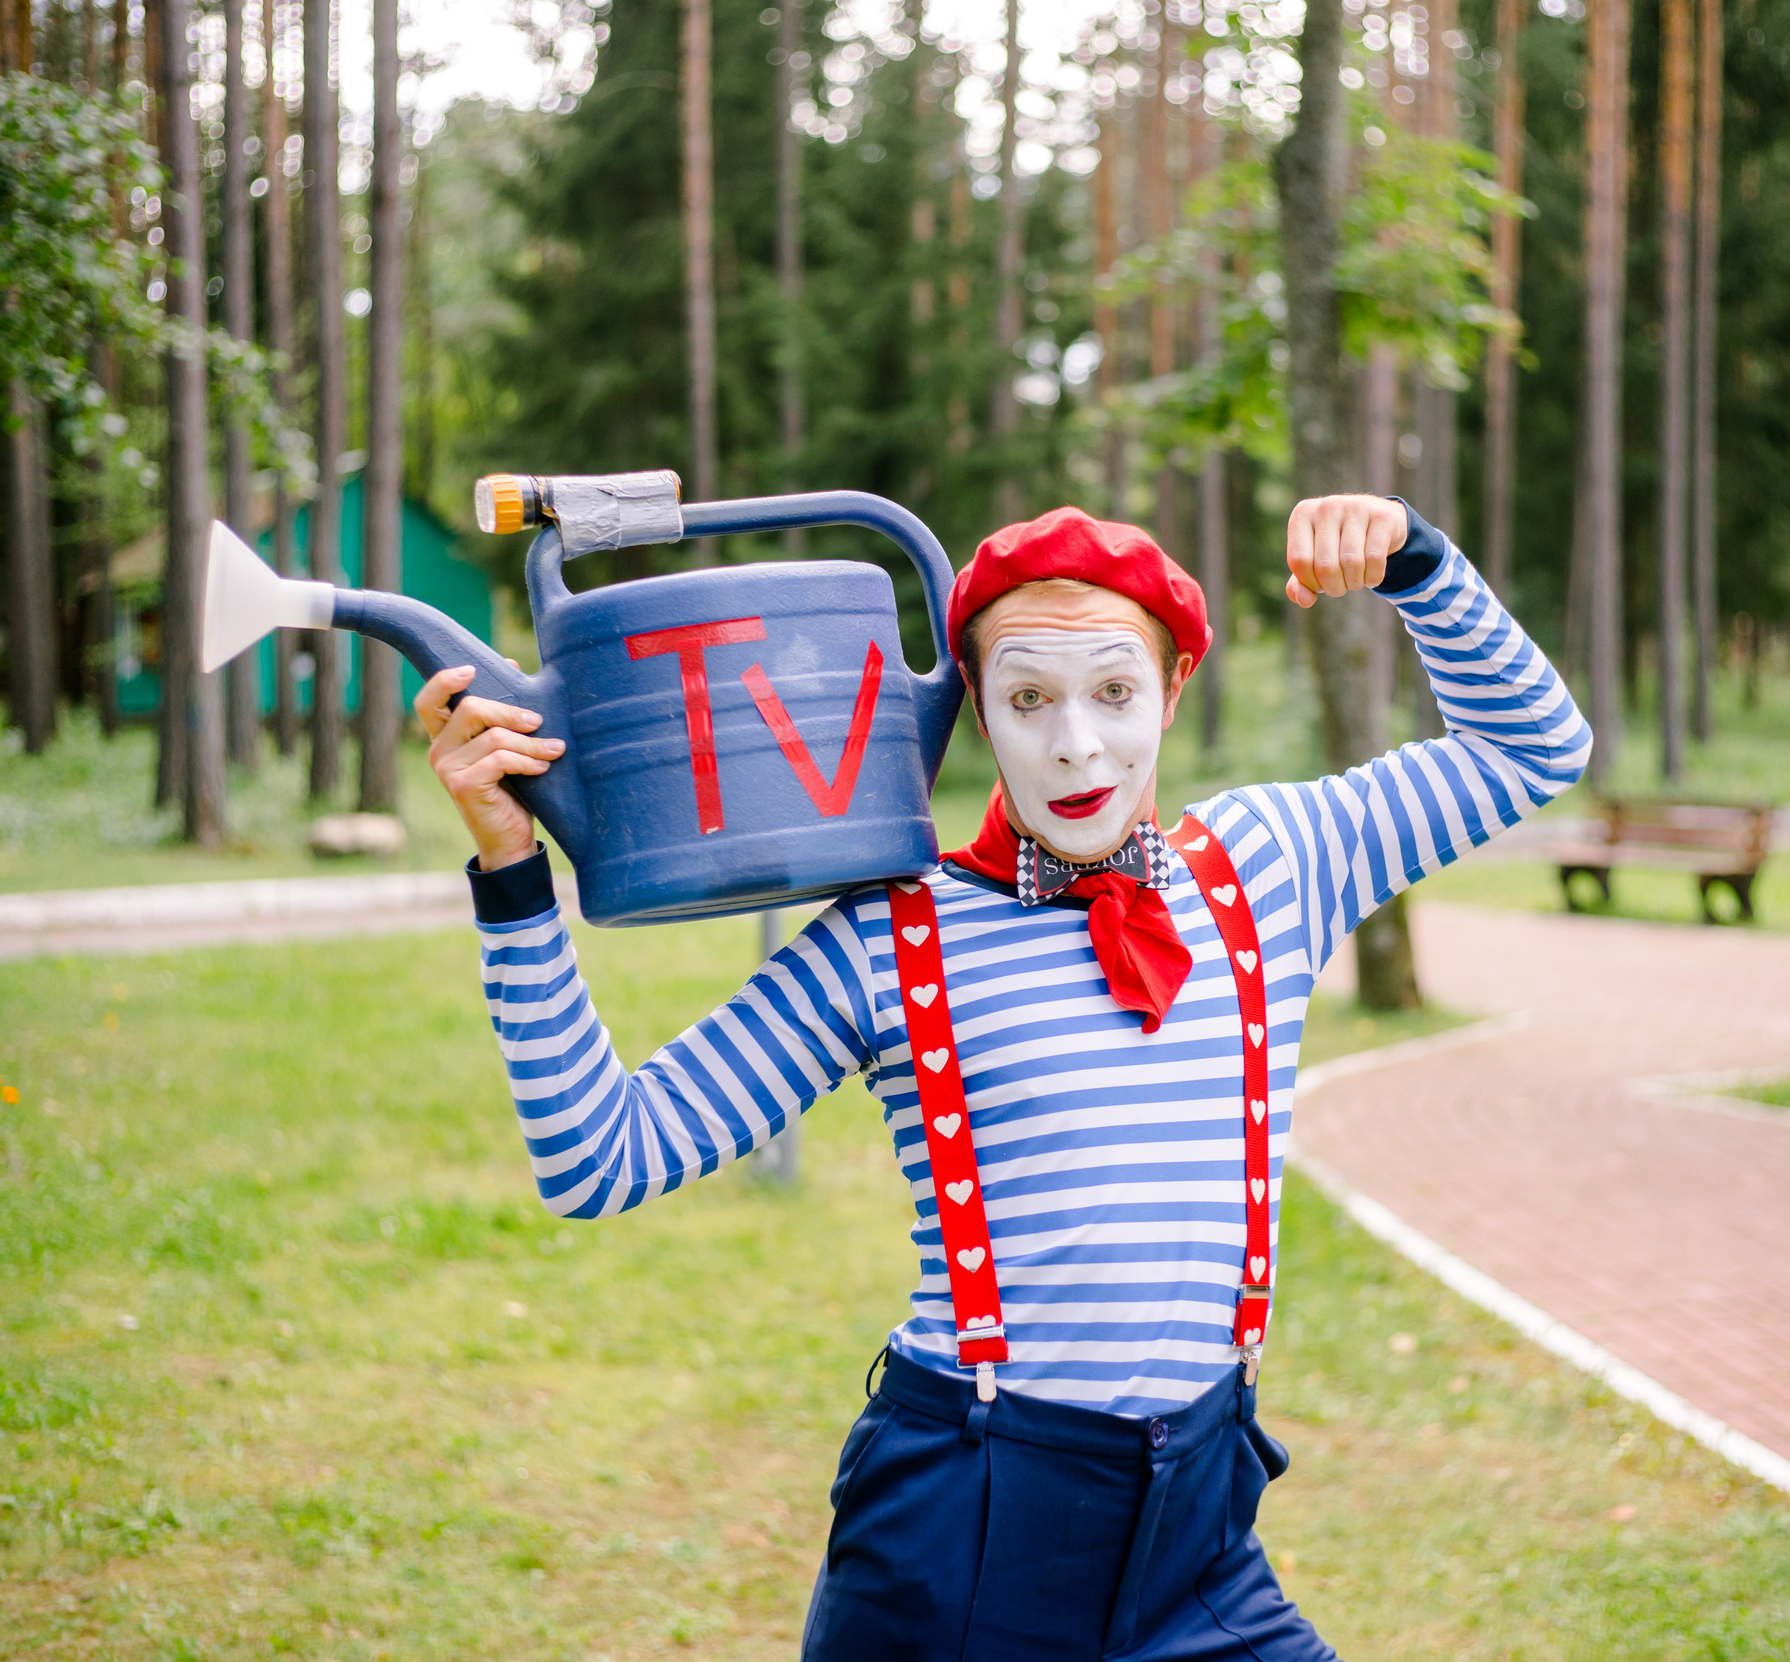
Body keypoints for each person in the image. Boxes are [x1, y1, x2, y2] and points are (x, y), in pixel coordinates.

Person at [416, 493, 1589, 1660]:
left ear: (1173, 689)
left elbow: (1536, 747)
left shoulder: (1274, 865)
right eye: (1029, 698)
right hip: (965, 1538)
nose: (1076, 744)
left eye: (1114, 692)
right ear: (976, 705)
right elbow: (597, 1159)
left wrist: (1419, 563)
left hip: (1198, 1531)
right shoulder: (895, 936)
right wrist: (512, 870)